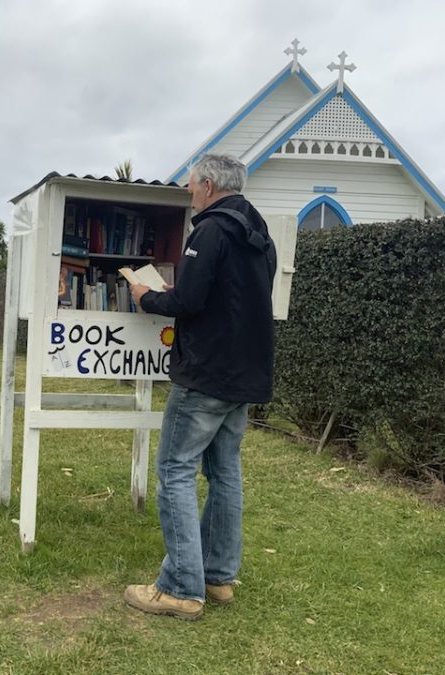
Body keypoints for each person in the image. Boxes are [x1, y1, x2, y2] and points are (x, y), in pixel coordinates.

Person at [124, 153, 277, 620]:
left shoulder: (209, 230)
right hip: (245, 374)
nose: (189, 194)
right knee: (225, 472)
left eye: (191, 186)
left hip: (206, 373)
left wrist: (143, 295)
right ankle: (218, 577)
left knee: (174, 470)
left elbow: (188, 299)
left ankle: (180, 587)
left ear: (209, 185)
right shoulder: (261, 234)